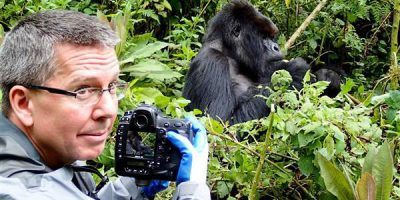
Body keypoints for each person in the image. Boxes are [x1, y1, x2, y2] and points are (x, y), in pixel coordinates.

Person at [0, 10, 210, 200]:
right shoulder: (16, 191)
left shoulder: (53, 153)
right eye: (83, 90)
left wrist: (132, 187)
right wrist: (193, 192)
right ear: (24, 103)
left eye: (112, 86)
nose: (109, 110)